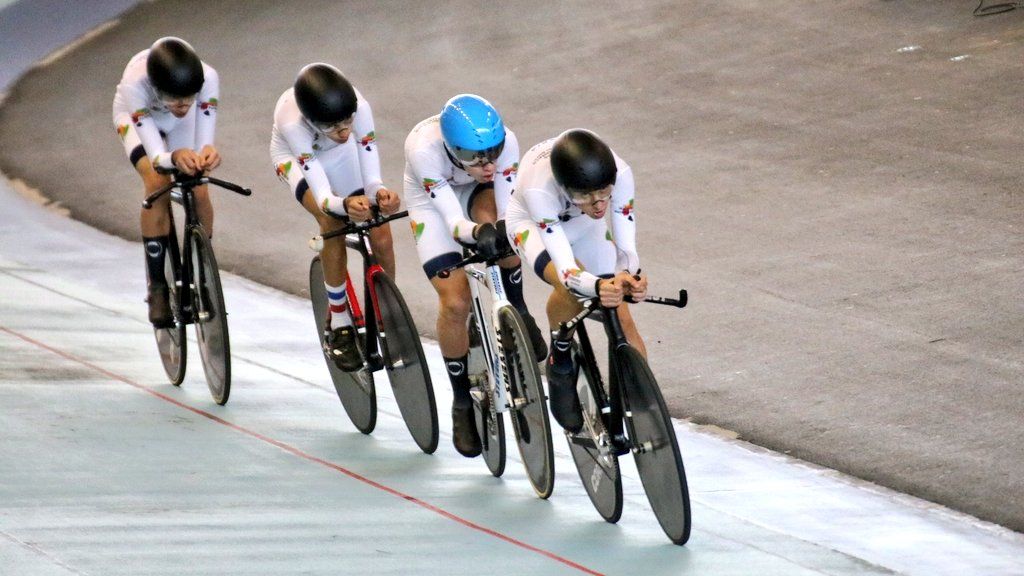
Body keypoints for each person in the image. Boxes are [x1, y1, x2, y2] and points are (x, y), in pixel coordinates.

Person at [403, 94, 546, 457]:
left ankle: (518, 308)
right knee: (455, 302)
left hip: (476, 195)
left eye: (493, 152)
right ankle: (461, 401)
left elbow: (509, 211)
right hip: (433, 203)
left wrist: (498, 233)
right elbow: (452, 221)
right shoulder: (424, 151)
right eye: (474, 157)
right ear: (451, 149)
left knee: (503, 234)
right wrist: (474, 234)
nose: (488, 164)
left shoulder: (505, 147)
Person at [505, 129, 648, 433]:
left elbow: (627, 250)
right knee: (568, 287)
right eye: (585, 195)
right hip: (532, 223)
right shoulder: (540, 190)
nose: (599, 204)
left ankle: (646, 408)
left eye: (603, 193)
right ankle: (560, 357)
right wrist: (597, 286)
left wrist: (628, 278)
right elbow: (568, 270)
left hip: (581, 225)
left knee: (621, 315)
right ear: (566, 188)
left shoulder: (620, 174)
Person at [270, 63, 399, 372]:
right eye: (333, 126)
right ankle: (340, 322)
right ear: (312, 121)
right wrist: (345, 205)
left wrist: (379, 194)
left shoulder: (359, 108)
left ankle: (390, 312)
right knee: (332, 222)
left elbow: (371, 175)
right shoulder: (293, 125)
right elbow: (326, 198)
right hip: (299, 160)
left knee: (379, 226)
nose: (344, 131)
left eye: (347, 121)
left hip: (341, 156)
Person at [113, 37, 221, 327]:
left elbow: (203, 138)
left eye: (189, 97)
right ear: (158, 89)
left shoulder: (208, 78)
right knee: (156, 180)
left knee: (199, 185)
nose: (183, 105)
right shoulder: (134, 86)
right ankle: (158, 286)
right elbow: (159, 157)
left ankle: (202, 274)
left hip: (178, 127)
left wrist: (205, 153)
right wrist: (174, 156)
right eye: (175, 98)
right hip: (139, 118)